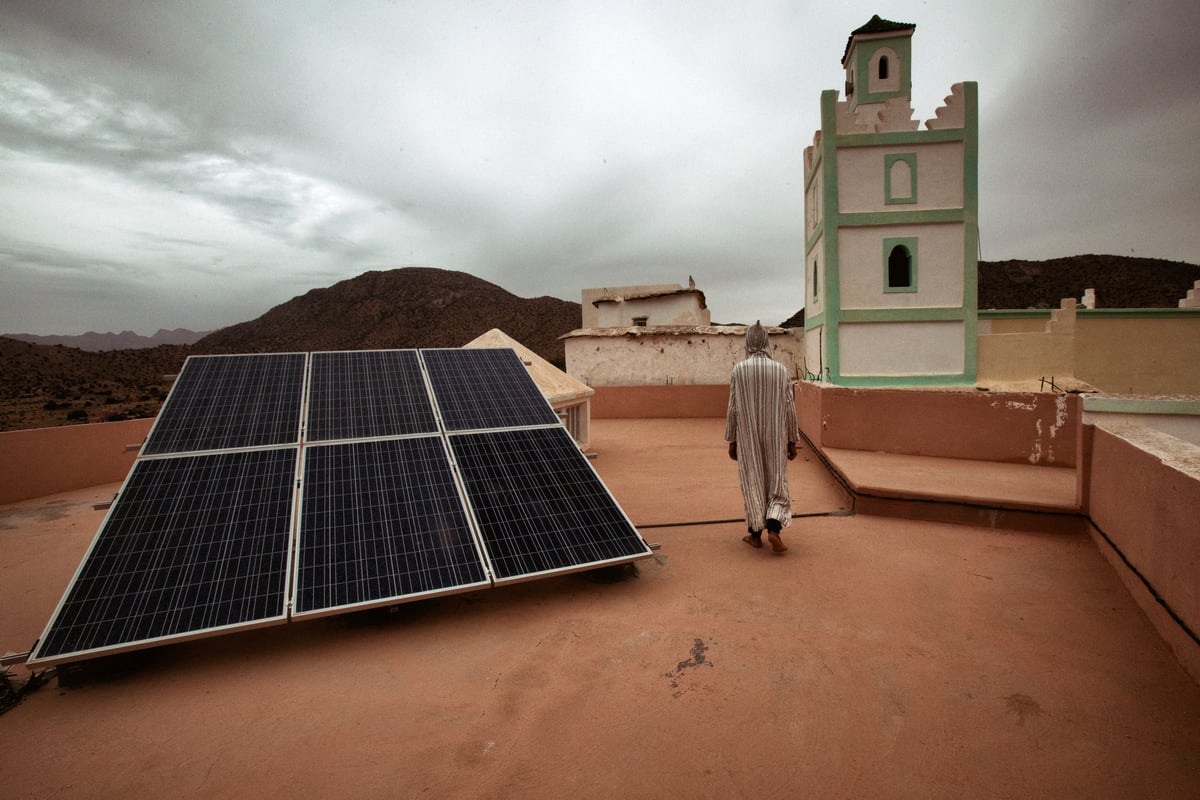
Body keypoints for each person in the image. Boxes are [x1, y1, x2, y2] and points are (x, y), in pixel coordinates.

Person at [725, 321, 798, 554]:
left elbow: (733, 407)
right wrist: (792, 439)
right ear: (766, 342)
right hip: (776, 436)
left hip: (748, 437)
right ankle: (774, 530)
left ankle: (755, 535)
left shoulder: (739, 370)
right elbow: (789, 407)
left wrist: (732, 439)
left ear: (748, 343)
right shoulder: (781, 370)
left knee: (753, 480)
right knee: (776, 480)